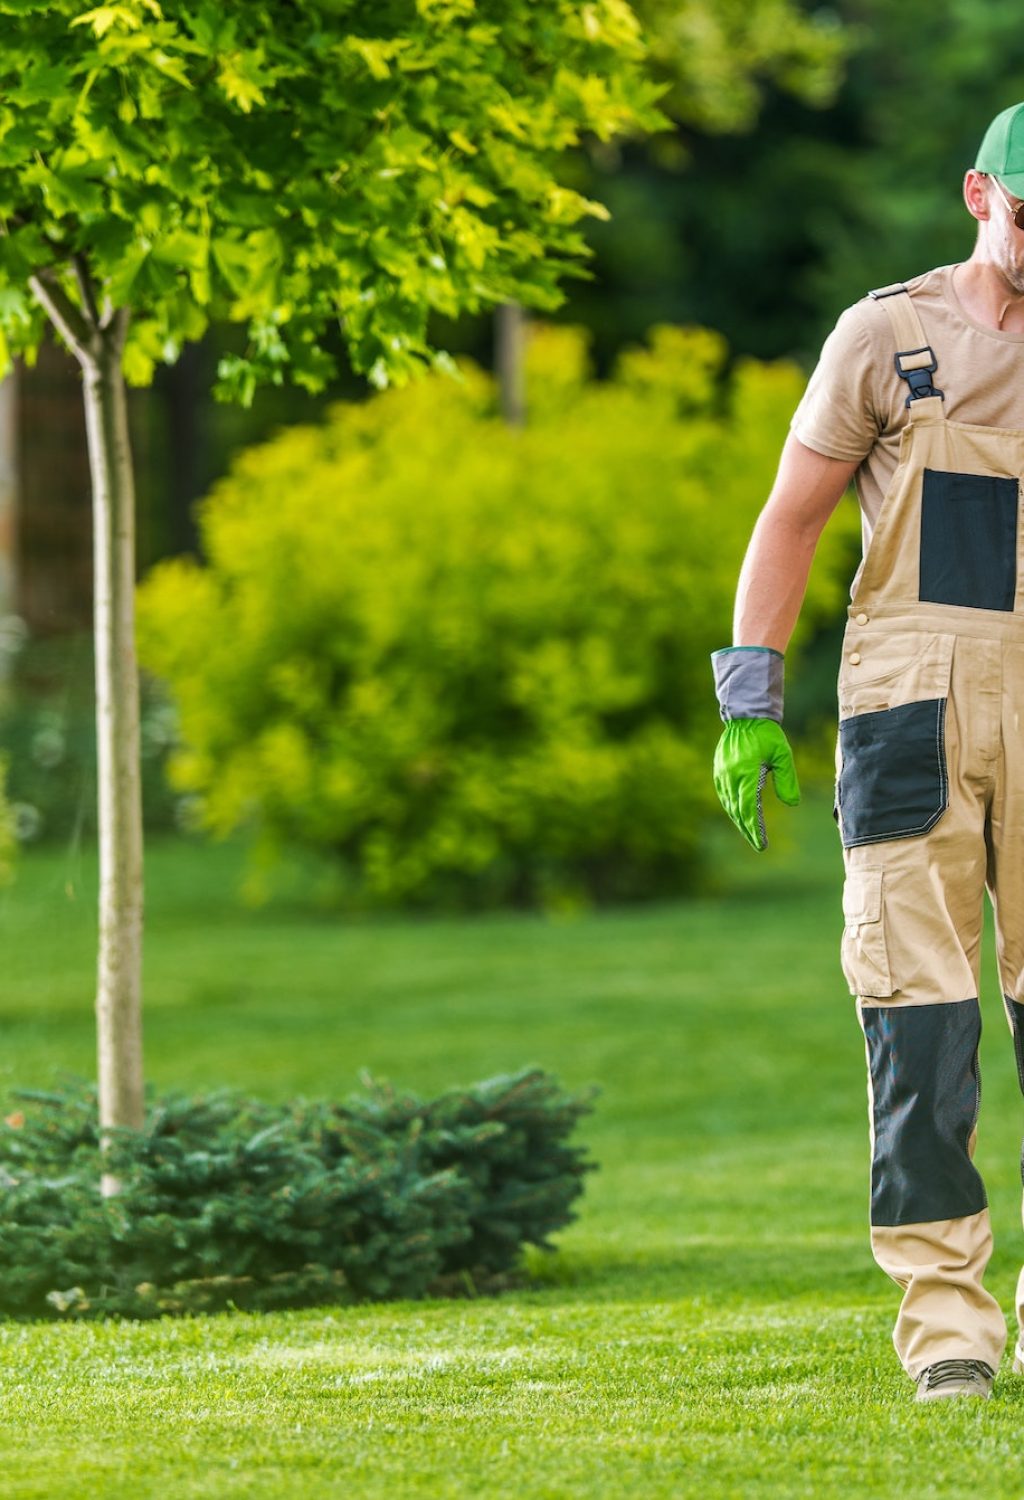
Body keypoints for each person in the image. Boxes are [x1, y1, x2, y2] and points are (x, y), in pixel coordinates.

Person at [710, 102, 1024, 1403]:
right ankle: (948, 1324)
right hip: (912, 698)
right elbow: (791, 520)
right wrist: (747, 704)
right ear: (979, 195)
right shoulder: (884, 337)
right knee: (920, 1018)